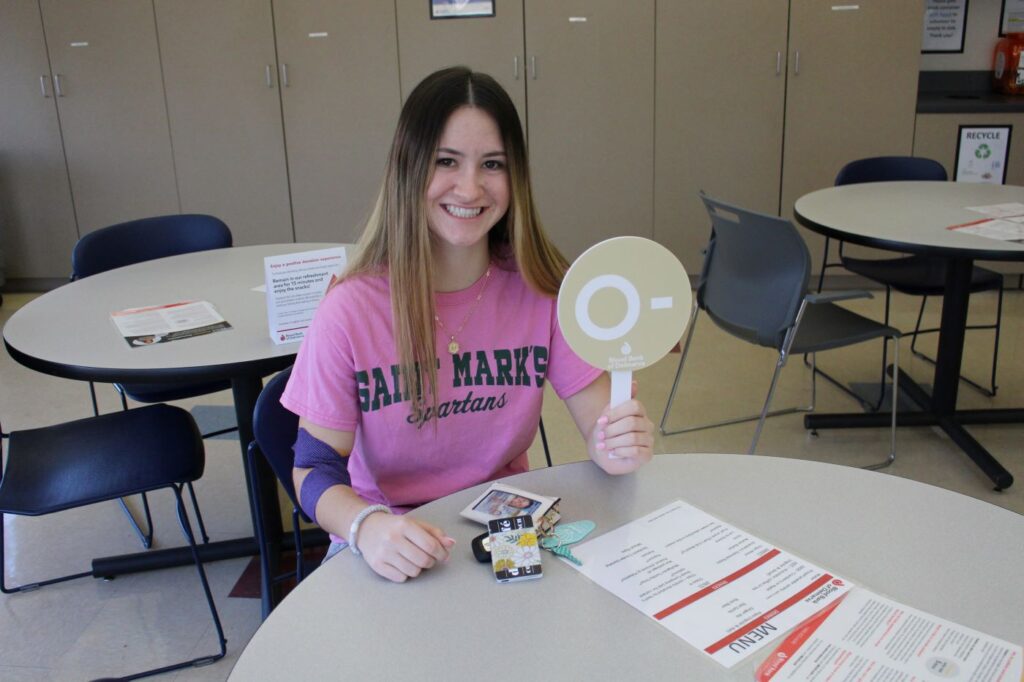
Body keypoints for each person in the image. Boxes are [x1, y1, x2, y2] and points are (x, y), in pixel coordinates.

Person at [281, 66, 655, 583]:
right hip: (387, 538)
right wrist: (364, 526)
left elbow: (600, 428)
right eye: (447, 161)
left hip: (506, 528)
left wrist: (615, 445)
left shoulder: (545, 289)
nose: (471, 186)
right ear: (409, 169)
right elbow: (313, 470)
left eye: (493, 164)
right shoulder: (350, 308)